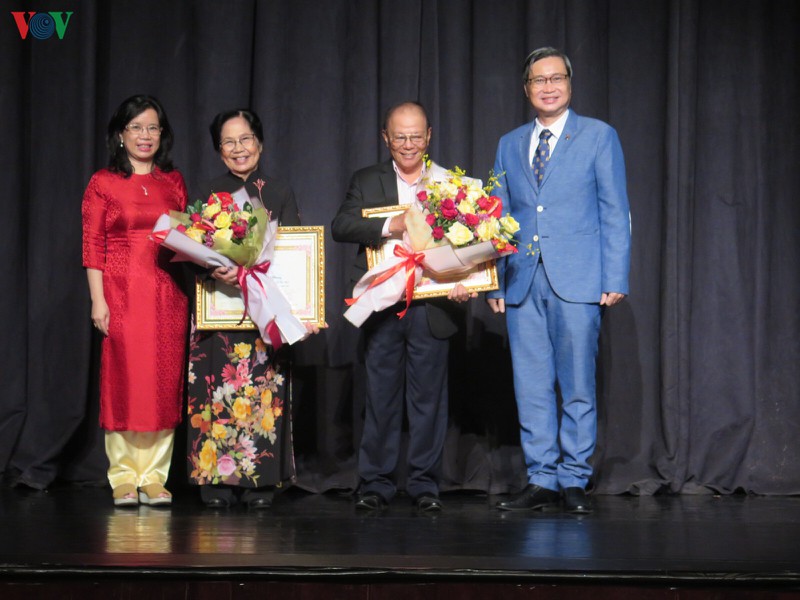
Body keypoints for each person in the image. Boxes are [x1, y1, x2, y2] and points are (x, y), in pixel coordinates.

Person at [488, 48, 631, 514]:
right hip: (522, 280)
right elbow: (495, 217)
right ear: (526, 89)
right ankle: (541, 477)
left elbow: (615, 210)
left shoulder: (598, 136)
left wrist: (615, 275)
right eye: (538, 80)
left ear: (569, 83)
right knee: (530, 386)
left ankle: (573, 477)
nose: (547, 87)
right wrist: (494, 282)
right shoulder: (509, 143)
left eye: (556, 78)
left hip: (579, 278)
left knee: (577, 385)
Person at [331, 101, 473, 513]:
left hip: (433, 305)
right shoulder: (367, 179)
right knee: (381, 397)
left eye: (415, 136)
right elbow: (341, 225)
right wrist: (389, 225)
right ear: (385, 138)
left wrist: (465, 282)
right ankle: (376, 482)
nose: (408, 144)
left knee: (429, 400)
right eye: (399, 137)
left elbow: (472, 240)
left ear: (428, 136)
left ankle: (425, 484)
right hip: (383, 303)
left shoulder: (450, 183)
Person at [186, 108, 314, 509]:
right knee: (215, 391)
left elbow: (296, 254)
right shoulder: (206, 193)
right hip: (218, 309)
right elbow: (187, 250)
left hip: (265, 310)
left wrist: (304, 312)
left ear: (259, 142)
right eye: (228, 141)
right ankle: (216, 483)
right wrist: (213, 267)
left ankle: (260, 482)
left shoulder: (279, 191)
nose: (238, 148)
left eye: (245, 139)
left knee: (263, 392)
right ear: (218, 149)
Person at [82, 94, 188, 507]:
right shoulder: (103, 182)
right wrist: (98, 300)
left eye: (153, 127)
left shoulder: (172, 181)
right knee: (126, 381)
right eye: (137, 127)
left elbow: (187, 238)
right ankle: (124, 475)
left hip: (168, 294)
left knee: (163, 381)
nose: (145, 135)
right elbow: (93, 245)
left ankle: (155, 476)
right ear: (120, 134)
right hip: (121, 293)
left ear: (163, 134)